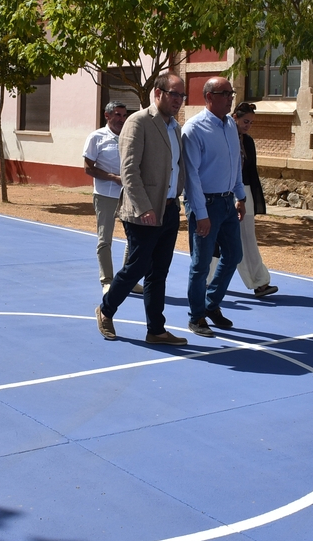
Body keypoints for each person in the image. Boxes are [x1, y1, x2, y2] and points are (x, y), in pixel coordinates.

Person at [95, 73, 188, 346]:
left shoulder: (175, 128)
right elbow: (129, 171)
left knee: (159, 272)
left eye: (182, 96)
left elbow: (177, 166)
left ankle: (156, 330)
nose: (178, 100)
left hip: (169, 209)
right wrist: (144, 207)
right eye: (174, 94)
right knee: (137, 267)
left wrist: (178, 196)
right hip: (143, 212)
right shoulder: (138, 122)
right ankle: (106, 310)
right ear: (158, 93)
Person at [181, 77, 245, 338]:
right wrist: (201, 214)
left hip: (228, 202)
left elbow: (235, 163)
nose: (231, 98)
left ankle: (211, 304)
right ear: (209, 97)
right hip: (205, 203)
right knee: (201, 263)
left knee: (234, 255)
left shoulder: (229, 124)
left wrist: (240, 196)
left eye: (231, 93)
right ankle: (196, 316)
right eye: (225, 93)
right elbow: (191, 176)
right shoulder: (194, 129)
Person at [83, 101, 141, 295]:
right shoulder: (96, 137)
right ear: (107, 116)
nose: (121, 119)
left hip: (129, 195)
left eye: (124, 115)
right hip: (105, 195)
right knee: (105, 239)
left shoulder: (131, 136)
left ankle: (127, 280)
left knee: (133, 239)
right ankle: (107, 281)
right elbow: (88, 168)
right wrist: (113, 178)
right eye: (117, 115)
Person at [231, 101, 278, 298]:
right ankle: (206, 282)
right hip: (223, 191)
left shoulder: (248, 141)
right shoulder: (223, 137)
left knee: (247, 238)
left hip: (245, 191)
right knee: (215, 239)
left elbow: (251, 172)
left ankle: (259, 282)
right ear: (235, 117)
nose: (248, 126)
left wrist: (246, 197)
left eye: (251, 122)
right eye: (245, 121)